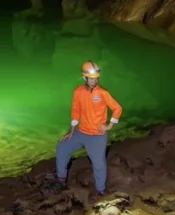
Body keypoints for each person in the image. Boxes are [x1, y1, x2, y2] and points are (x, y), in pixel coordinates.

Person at [53, 61, 123, 196]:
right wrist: (71, 130)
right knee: (62, 147)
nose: (94, 81)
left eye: (96, 78)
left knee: (99, 164)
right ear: (84, 77)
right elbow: (76, 110)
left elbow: (117, 108)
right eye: (91, 79)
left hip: (97, 135)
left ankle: (100, 190)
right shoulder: (78, 92)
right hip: (81, 132)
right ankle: (61, 178)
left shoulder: (103, 93)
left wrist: (109, 125)